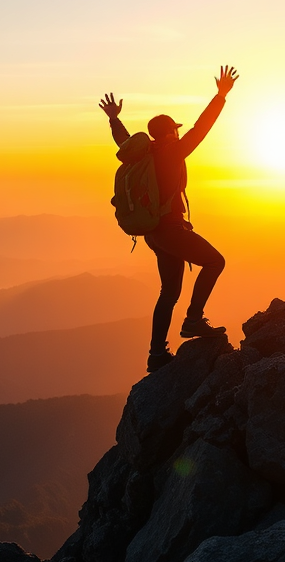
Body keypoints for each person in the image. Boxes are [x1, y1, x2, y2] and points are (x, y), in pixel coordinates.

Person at [99, 65, 238, 372]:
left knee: (169, 292)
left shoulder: (143, 154)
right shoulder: (172, 153)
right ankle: (193, 319)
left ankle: (156, 354)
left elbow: (123, 142)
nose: (179, 133)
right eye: (176, 130)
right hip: (171, 230)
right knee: (215, 262)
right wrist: (220, 96)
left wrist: (113, 118)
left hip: (154, 234)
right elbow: (201, 128)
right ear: (170, 133)